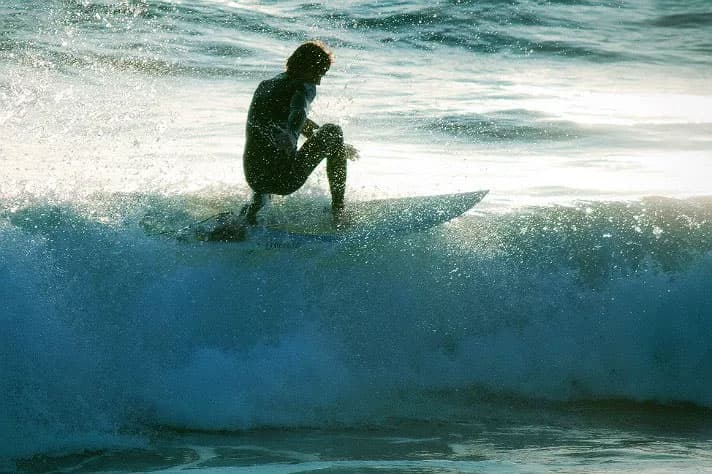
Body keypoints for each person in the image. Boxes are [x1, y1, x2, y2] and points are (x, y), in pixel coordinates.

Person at [239, 41, 357, 226]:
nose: (318, 81)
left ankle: (255, 208)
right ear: (307, 68)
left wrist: (336, 147)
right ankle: (339, 210)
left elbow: (292, 119)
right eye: (319, 74)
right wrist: (292, 131)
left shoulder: (267, 85)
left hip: (254, 177)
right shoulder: (302, 86)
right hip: (284, 180)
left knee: (266, 144)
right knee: (333, 131)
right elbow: (298, 111)